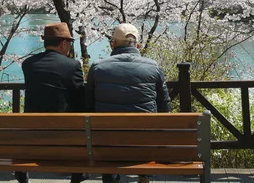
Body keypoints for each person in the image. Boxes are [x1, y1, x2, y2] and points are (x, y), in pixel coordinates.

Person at [86, 23, 170, 183]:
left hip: (107, 148)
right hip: (144, 146)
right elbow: (165, 107)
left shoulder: (98, 68)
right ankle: (144, 177)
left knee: (105, 135)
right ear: (137, 44)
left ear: (113, 44)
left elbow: (88, 106)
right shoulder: (154, 67)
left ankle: (110, 178)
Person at [16, 22, 86, 183]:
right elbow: (80, 98)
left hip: (33, 137)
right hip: (63, 139)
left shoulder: (28, 64)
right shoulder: (72, 66)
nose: (70, 46)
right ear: (63, 43)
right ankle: (78, 175)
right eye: (70, 42)